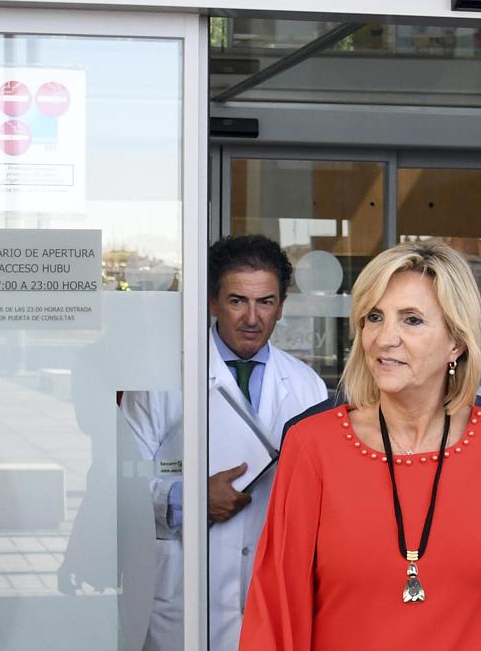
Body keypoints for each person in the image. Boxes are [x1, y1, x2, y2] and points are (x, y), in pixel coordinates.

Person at [241, 242, 481, 651]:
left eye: (411, 320)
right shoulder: (312, 446)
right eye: (374, 317)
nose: (384, 338)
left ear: (456, 342)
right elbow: (277, 611)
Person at [122, 235, 328, 651]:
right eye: (237, 301)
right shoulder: (165, 375)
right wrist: (190, 499)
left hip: (269, 593)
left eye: (266, 302)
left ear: (281, 306)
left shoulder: (307, 385)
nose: (252, 318)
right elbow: (120, 478)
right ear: (213, 302)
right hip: (184, 592)